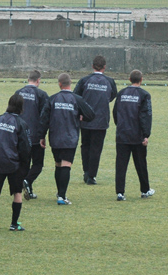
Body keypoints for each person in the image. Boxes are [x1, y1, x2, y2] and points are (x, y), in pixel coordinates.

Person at [39, 73, 95, 205]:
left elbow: (43, 119)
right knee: (66, 165)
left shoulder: (52, 99)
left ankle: (59, 193)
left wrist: (42, 136)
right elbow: (91, 114)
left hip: (55, 136)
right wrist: (82, 116)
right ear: (71, 84)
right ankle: (62, 196)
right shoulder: (77, 99)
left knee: (58, 164)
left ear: (59, 84)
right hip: (70, 137)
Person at [0, 94, 33, 233]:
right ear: (21, 107)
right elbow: (25, 147)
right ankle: (14, 224)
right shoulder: (21, 123)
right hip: (13, 163)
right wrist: (25, 166)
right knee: (17, 192)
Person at [74, 55, 117, 185]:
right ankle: (92, 176)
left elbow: (76, 96)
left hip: (85, 119)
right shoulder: (110, 81)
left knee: (85, 146)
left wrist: (82, 111)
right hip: (101, 119)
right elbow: (112, 95)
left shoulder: (84, 80)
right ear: (105, 67)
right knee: (96, 148)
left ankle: (86, 172)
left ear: (92, 66)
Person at [113, 69, 154, 201]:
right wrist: (146, 134)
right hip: (137, 135)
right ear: (141, 80)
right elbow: (145, 116)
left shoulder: (121, 93)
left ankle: (120, 192)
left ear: (129, 79)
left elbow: (115, 113)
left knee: (121, 164)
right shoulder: (144, 95)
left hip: (122, 134)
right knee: (141, 164)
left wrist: (119, 126)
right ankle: (145, 190)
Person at [16, 70, 50, 200]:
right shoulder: (41, 94)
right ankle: (28, 181)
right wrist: (43, 135)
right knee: (37, 164)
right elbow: (44, 117)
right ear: (38, 80)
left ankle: (26, 190)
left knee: (24, 163)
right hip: (35, 136)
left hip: (20, 134)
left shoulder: (18, 93)